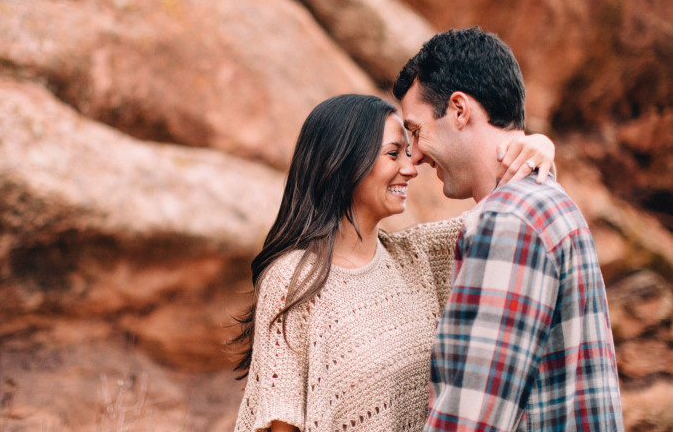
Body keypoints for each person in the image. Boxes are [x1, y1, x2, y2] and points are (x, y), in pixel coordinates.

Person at [232, 93, 555, 432]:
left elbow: (507, 212)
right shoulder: (292, 280)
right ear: (343, 161)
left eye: (408, 152)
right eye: (393, 153)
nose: (410, 167)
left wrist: (539, 146)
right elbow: (281, 424)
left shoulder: (419, 255)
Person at [393, 27, 624, 432]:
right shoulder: (548, 201)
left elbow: (472, 414)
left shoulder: (506, 221)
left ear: (459, 110)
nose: (415, 156)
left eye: (415, 131)